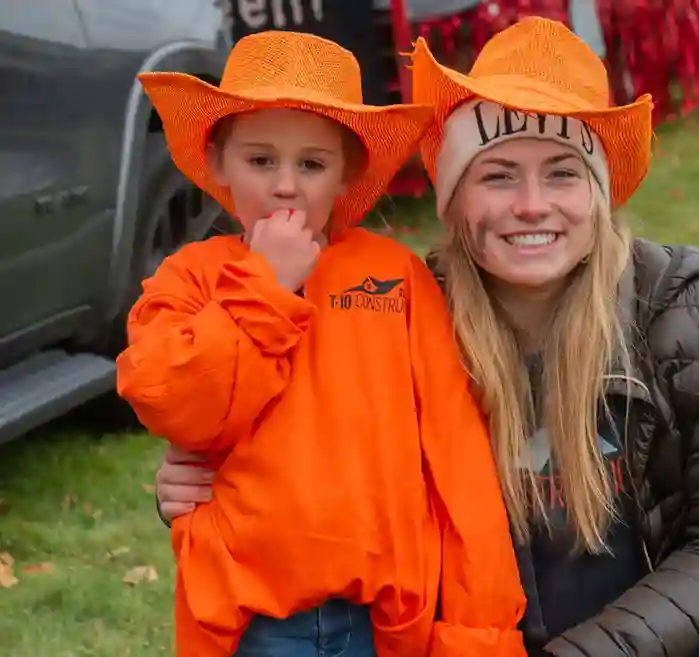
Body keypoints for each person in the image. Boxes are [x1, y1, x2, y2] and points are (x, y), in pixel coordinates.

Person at [152, 17, 699, 657]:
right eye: (498, 175)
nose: (530, 205)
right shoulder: (407, 309)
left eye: (563, 173)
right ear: (457, 195)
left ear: (599, 192)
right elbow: (310, 427)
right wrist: (213, 480)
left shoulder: (686, 310)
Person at [119, 30, 527, 657]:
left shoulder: (396, 279)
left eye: (311, 164)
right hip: (252, 621)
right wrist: (264, 286)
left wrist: (479, 634)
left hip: (384, 618)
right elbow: (174, 401)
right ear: (219, 162)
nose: (286, 185)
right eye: (261, 160)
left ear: (347, 174)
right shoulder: (190, 280)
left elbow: (455, 454)